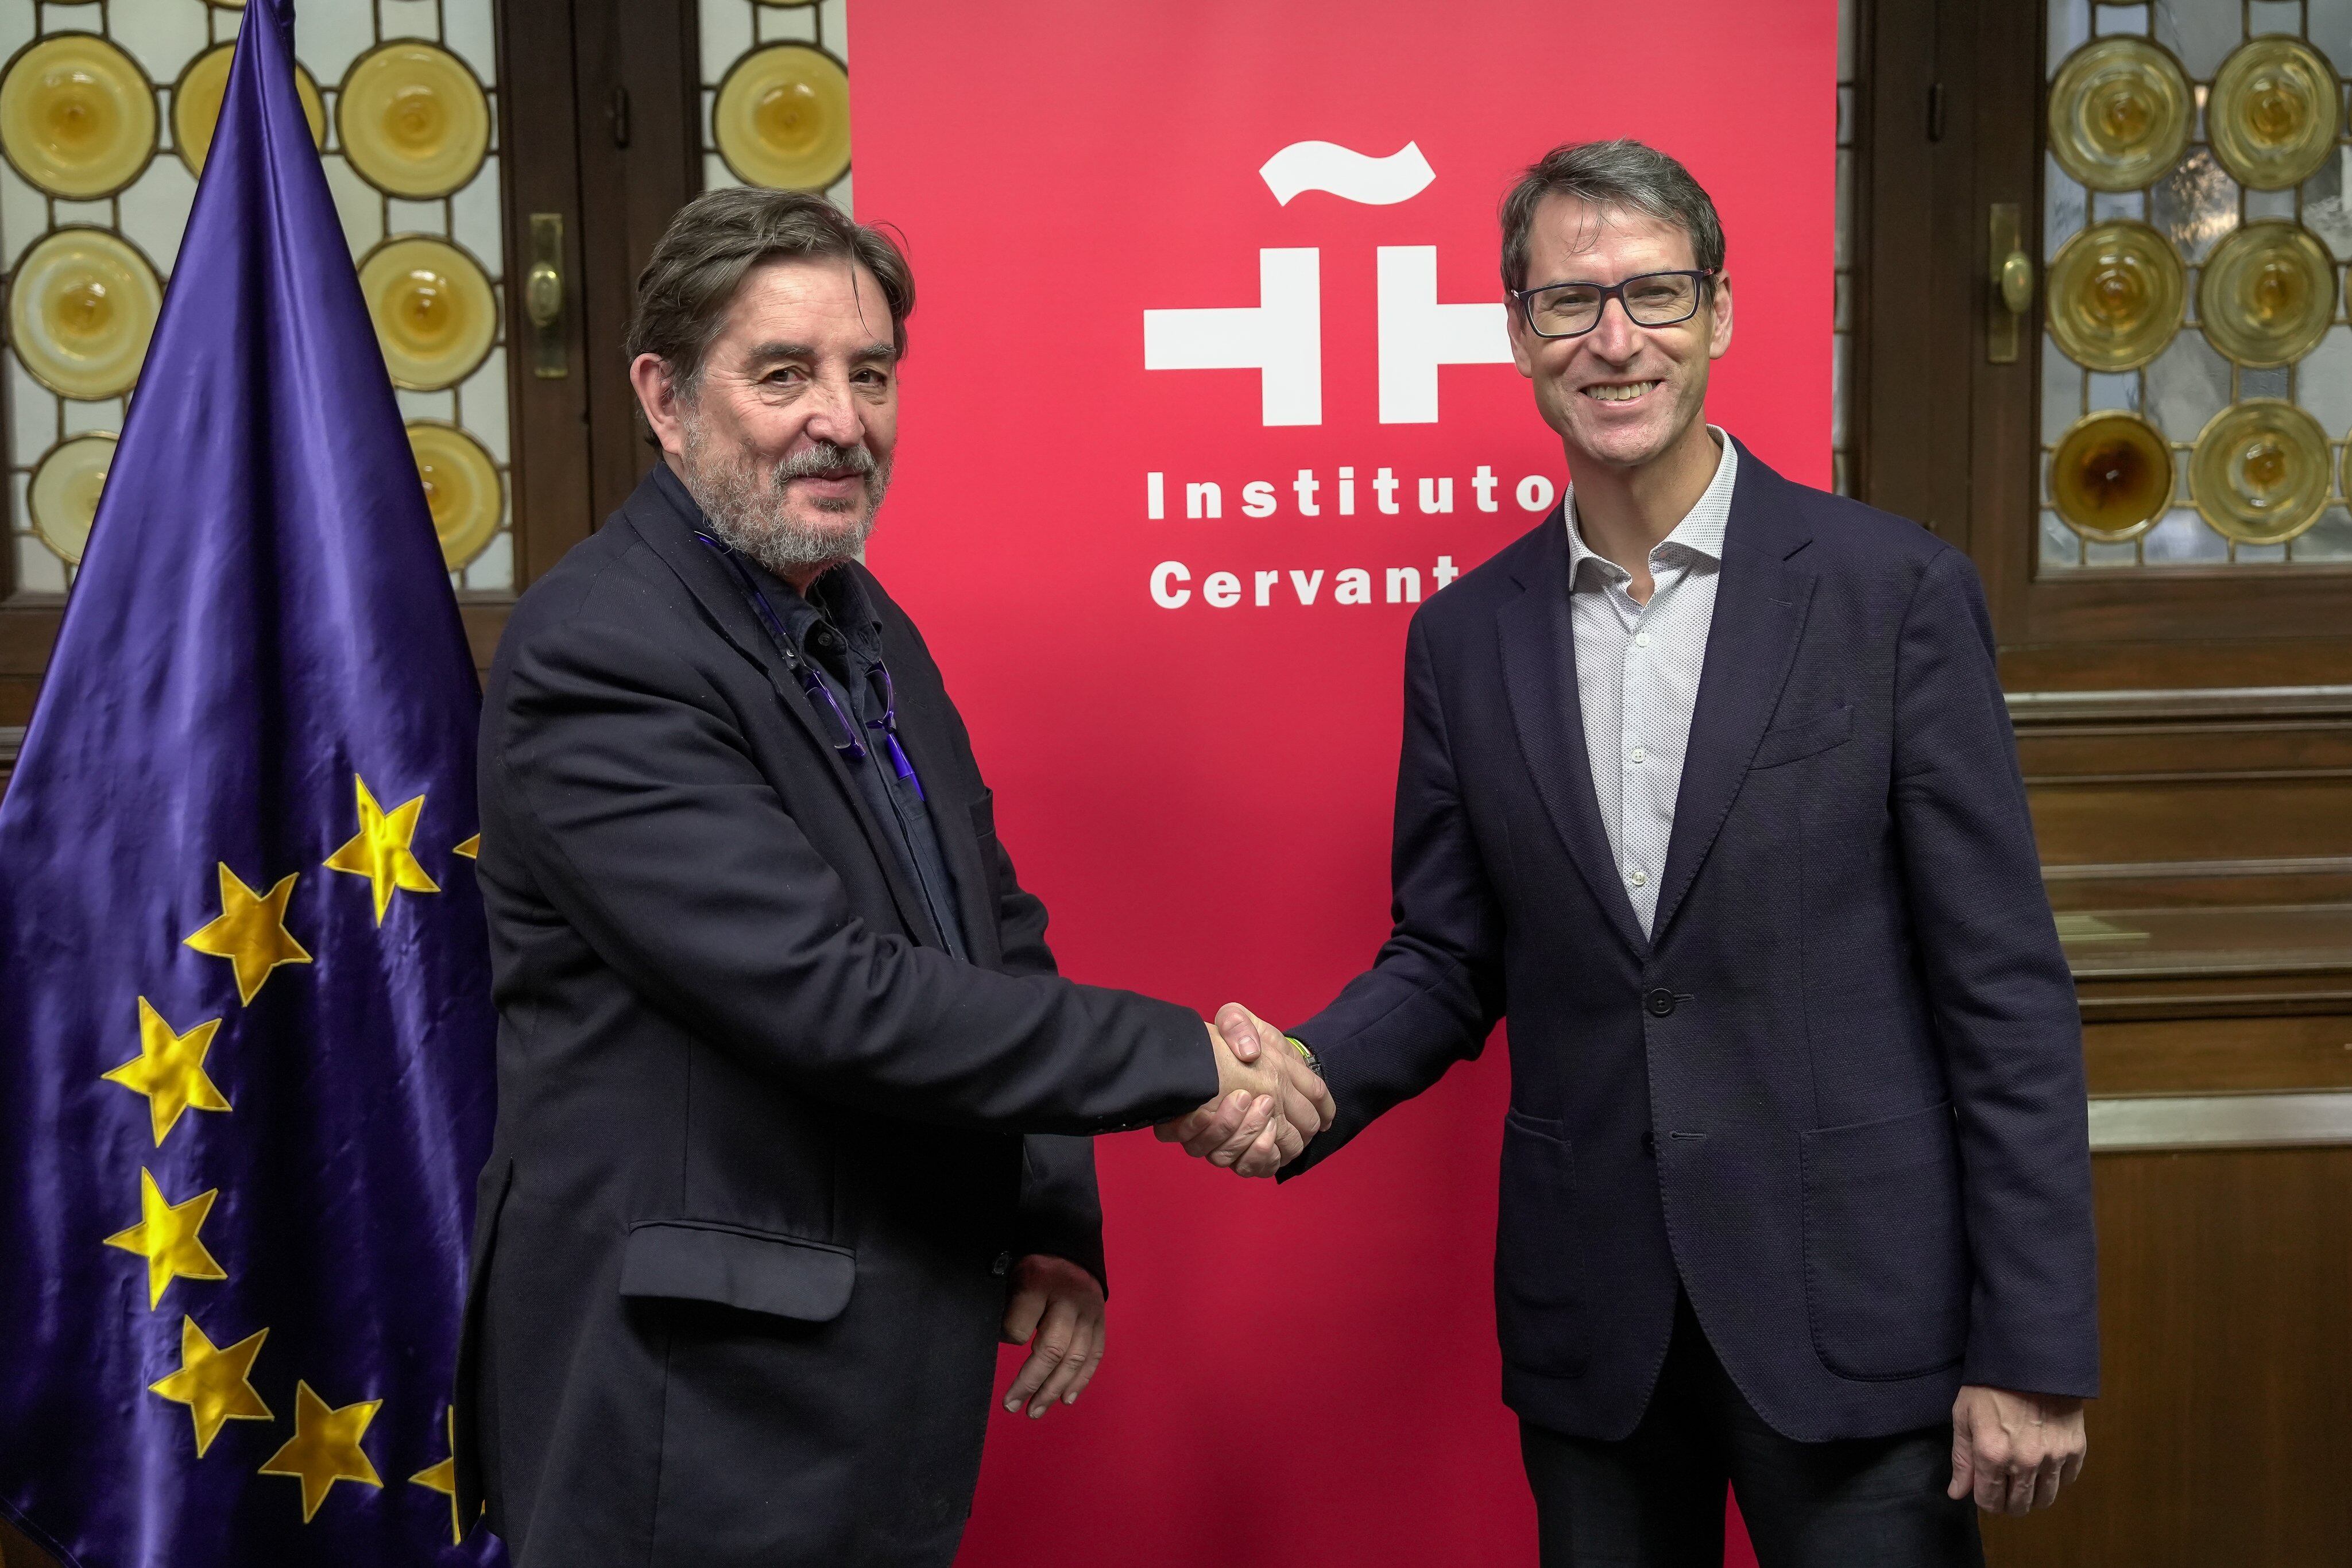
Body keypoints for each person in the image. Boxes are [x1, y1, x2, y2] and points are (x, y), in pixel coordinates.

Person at [1174, 140, 2098, 1563]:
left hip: (1855, 1320)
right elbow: (1444, 954)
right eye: (1568, 303)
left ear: (1717, 315)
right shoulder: (1464, 639)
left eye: (1653, 294)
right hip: (1595, 1322)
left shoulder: (1890, 592)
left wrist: (2031, 1337)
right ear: (1516, 336)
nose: (1615, 339)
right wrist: (1296, 1079)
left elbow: (2004, 991)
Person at [452, 187, 1331, 1567]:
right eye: (783, 374)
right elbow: (828, 994)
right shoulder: (599, 657)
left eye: (870, 376)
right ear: (664, 399)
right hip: (692, 1400)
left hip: (871, 1372)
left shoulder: (857, 617)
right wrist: (1183, 1062)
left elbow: (988, 932)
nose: (840, 420)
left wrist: (1047, 1219)